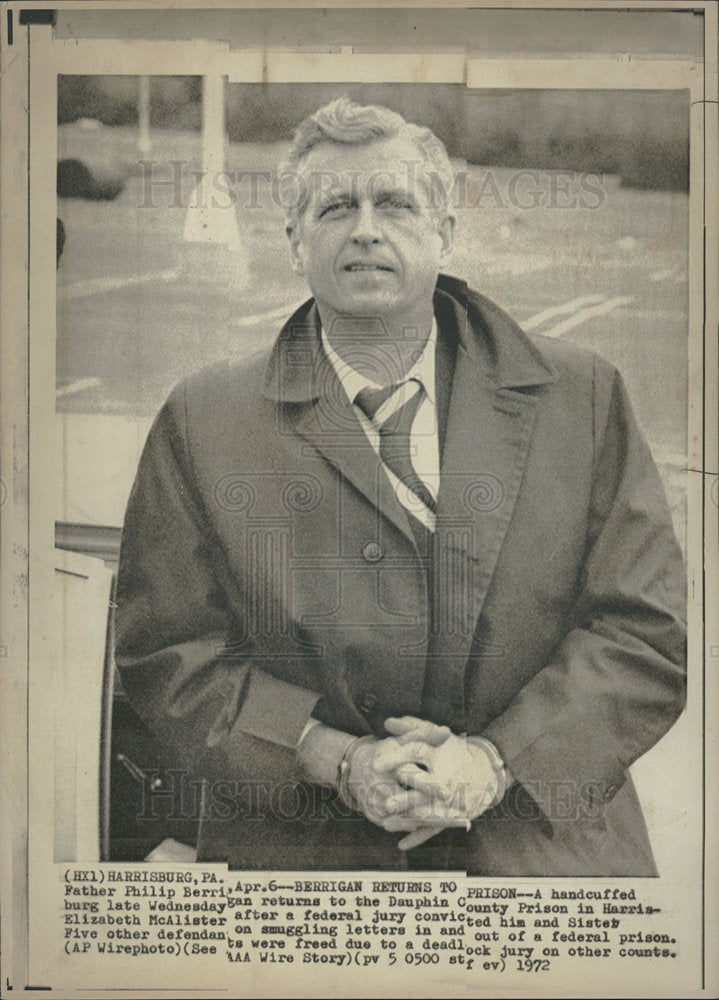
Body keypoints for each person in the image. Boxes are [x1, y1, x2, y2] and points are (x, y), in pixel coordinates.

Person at [115, 97, 686, 874]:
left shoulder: (580, 396)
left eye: (394, 203)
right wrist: (332, 759)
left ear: (444, 231)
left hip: (541, 854)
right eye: (334, 207)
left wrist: (492, 763)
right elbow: (168, 655)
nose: (365, 229)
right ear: (293, 240)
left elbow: (642, 635)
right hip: (305, 863)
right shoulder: (201, 418)